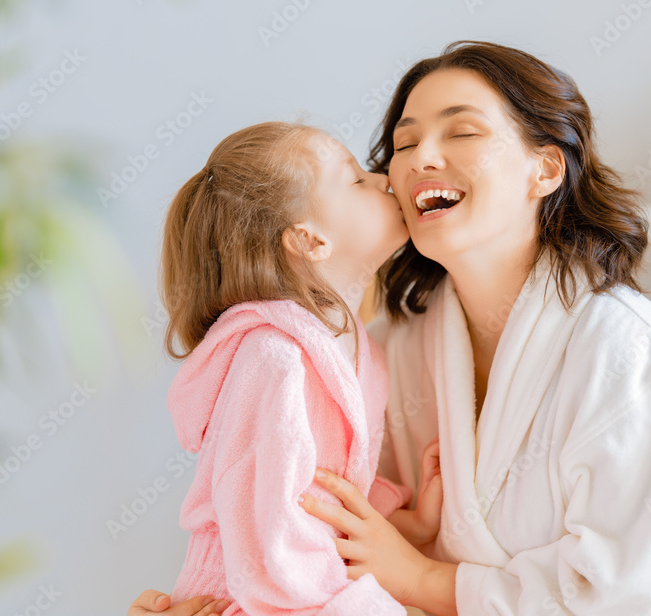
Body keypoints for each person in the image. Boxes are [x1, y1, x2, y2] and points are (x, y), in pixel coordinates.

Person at [132, 41, 651, 616]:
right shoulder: (390, 348)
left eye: (463, 131)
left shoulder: (630, 358)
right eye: (404, 143)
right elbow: (315, 539)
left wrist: (425, 579)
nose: (420, 159)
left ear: (546, 170)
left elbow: (633, 596)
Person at [153, 121, 444, 616]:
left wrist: (400, 523)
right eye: (355, 179)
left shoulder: (357, 350)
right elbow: (265, 525)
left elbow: (319, 484)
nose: (381, 178)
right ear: (310, 242)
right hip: (249, 593)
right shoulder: (274, 358)